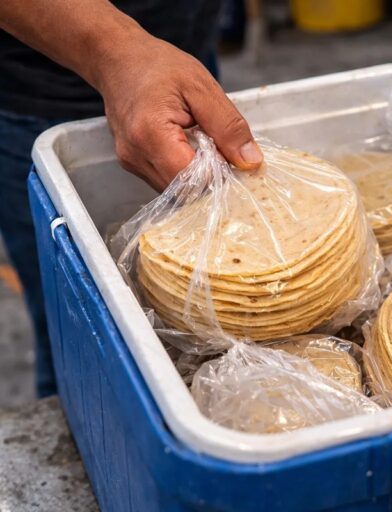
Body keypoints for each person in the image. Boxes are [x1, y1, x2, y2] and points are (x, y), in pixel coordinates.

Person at [0, 0, 263, 397]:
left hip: (179, 63)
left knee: (211, 330)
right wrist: (115, 50)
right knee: (83, 349)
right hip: (45, 92)